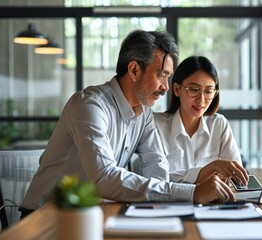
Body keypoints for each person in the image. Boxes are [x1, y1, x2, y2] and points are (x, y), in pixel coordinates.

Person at [20, 30, 246, 217]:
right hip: (46, 215)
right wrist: (192, 193)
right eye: (162, 76)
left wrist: (169, 196)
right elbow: (104, 178)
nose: (166, 87)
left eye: (168, 78)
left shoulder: (144, 114)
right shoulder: (89, 106)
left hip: (93, 212)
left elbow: (157, 171)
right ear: (134, 70)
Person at [153, 56, 247, 185]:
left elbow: (236, 176)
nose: (201, 99)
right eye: (193, 89)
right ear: (176, 89)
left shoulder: (218, 125)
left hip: (213, 202)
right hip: (171, 203)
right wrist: (206, 171)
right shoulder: (156, 125)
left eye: (208, 91)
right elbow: (156, 180)